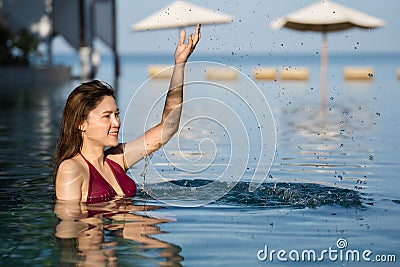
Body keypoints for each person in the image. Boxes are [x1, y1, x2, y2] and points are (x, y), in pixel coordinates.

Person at [54, 24, 201, 203]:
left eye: (116, 114)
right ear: (81, 123)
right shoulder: (72, 169)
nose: (116, 122)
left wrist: (179, 65)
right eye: (106, 116)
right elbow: (70, 226)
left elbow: (167, 128)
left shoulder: (117, 158)